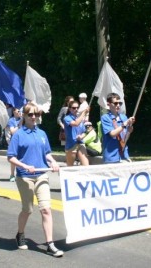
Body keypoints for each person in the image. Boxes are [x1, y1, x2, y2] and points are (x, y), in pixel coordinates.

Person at [7, 102, 63, 257]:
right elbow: (11, 157)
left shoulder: (42, 134)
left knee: (46, 209)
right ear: (24, 116)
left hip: (41, 175)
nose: (34, 117)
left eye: (37, 114)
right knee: (28, 209)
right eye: (30, 114)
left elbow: (47, 153)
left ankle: (50, 244)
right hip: (25, 177)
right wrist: (25, 166)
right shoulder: (18, 134)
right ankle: (20, 234)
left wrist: (53, 162)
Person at [101, 93, 135, 163]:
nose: (118, 105)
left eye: (120, 103)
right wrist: (125, 124)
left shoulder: (123, 117)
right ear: (108, 104)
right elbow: (112, 134)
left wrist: (129, 130)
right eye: (115, 103)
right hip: (111, 156)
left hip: (124, 154)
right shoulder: (105, 117)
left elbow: (125, 138)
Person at [63, 99, 90, 166]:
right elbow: (75, 123)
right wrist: (84, 113)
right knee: (70, 167)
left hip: (80, 143)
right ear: (69, 109)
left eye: (77, 107)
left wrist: (81, 136)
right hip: (71, 145)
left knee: (86, 166)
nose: (76, 109)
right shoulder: (67, 118)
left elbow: (84, 131)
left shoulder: (80, 118)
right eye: (74, 108)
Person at [5, 107, 22, 182]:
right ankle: (12, 174)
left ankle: (21, 174)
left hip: (22, 141)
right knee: (13, 159)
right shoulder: (11, 121)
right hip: (14, 142)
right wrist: (19, 125)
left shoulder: (24, 119)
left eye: (21, 111)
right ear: (14, 111)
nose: (20, 112)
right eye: (18, 111)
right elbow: (12, 132)